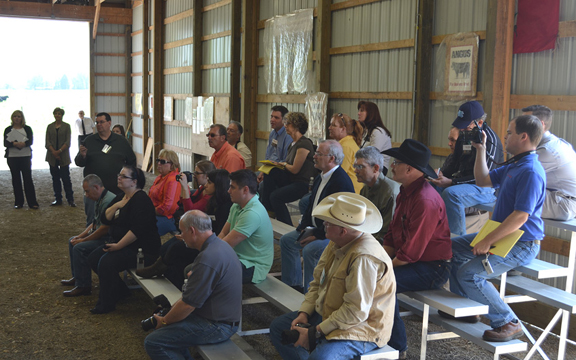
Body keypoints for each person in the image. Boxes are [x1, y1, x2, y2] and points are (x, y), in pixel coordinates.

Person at [448, 115, 546, 342]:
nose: (505, 137)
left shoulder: (531, 170)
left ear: (523, 137)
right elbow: (482, 180)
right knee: (448, 248)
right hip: (503, 235)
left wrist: (487, 240)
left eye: (509, 133)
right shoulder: (517, 164)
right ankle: (468, 308)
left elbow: (520, 216)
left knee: (469, 273)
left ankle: (507, 321)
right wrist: (480, 149)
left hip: (521, 242)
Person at [270, 193, 396, 360]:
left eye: (328, 223)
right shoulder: (336, 242)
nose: (324, 225)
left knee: (321, 358)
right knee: (279, 328)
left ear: (343, 231)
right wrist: (305, 313)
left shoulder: (364, 258)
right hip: (334, 314)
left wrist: (315, 331)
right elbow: (316, 283)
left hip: (362, 329)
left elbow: (355, 312)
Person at [381, 139, 453, 356]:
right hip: (414, 262)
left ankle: (397, 346)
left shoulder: (425, 199)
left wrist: (382, 269)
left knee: (383, 283)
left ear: (409, 169)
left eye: (396, 162)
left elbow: (410, 253)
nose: (392, 165)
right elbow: (392, 234)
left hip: (433, 268)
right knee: (374, 277)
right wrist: (380, 261)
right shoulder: (406, 190)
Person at [143, 210, 242, 359]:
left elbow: (188, 305)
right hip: (221, 318)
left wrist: (164, 321)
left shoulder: (208, 258)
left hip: (218, 325)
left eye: (182, 231)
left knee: (153, 342)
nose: (181, 236)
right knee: (170, 326)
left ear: (192, 231)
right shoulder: (219, 245)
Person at [137, 169, 233, 289]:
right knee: (168, 248)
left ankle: (160, 270)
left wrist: (194, 238)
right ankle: (164, 273)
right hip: (201, 236)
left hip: (209, 242)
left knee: (175, 248)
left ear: (218, 185)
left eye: (209, 182)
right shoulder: (212, 199)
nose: (205, 184)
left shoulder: (225, 206)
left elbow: (192, 214)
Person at [279, 140, 354, 292]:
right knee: (286, 241)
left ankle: (311, 296)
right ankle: (293, 286)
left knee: (310, 251)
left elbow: (337, 220)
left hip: (333, 234)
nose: (314, 156)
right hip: (315, 229)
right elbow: (310, 207)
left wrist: (318, 235)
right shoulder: (321, 176)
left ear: (331, 158)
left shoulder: (341, 182)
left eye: (319, 154)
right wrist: (302, 228)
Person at [88, 165, 161, 314]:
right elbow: (105, 218)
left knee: (107, 262)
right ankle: (121, 291)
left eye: (123, 176)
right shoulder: (122, 197)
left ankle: (106, 304)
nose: (119, 178)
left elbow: (137, 231)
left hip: (142, 250)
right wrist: (116, 205)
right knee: (93, 258)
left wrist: (118, 246)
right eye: (119, 175)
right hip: (125, 245)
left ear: (134, 182)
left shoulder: (141, 200)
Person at [430, 101, 504, 235]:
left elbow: (485, 179)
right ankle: (433, 233)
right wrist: (440, 175)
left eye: (466, 126)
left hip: (488, 188)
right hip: (464, 183)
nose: (462, 129)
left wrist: (452, 182)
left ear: (480, 123)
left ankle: (456, 241)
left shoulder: (490, 140)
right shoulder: (463, 135)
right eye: (460, 125)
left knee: (451, 194)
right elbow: (454, 162)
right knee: (430, 186)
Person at [75, 112, 136, 227]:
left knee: (116, 220)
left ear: (109, 123)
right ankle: (91, 242)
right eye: (97, 122)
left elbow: (132, 162)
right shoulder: (89, 141)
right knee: (92, 221)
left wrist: (128, 181)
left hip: (116, 190)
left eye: (102, 122)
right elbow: (79, 162)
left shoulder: (121, 141)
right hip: (93, 191)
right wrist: (82, 155)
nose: (99, 125)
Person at [61, 174, 116, 297]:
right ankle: (78, 277)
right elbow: (94, 223)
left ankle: (84, 285)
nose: (86, 195)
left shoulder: (107, 201)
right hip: (103, 235)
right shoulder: (100, 198)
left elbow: (103, 229)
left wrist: (83, 240)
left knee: (79, 248)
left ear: (96, 187)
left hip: (109, 239)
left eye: (87, 191)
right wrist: (80, 237)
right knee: (73, 241)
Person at [261, 112, 318, 225]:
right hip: (292, 179)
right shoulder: (292, 144)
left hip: (302, 183)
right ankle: (268, 211)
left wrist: (282, 164)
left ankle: (285, 224)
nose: (285, 125)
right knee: (268, 175)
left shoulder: (304, 144)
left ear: (296, 126)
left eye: (288, 123)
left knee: (275, 197)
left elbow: (295, 169)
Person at [219, 169, 273, 284]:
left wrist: (205, 255)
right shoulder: (237, 205)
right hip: (237, 258)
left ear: (245, 190)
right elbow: (223, 234)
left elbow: (225, 245)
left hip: (253, 265)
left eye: (232, 187)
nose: (228, 191)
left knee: (208, 272)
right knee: (200, 268)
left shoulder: (252, 213)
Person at [522, 105, 576, 220]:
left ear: (541, 125)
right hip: (557, 198)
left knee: (515, 189)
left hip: (565, 205)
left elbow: (518, 174)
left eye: (525, 122)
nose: (519, 126)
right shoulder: (549, 143)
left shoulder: (548, 150)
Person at [354, 146, 400, 243]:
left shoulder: (390, 192)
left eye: (360, 167)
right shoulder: (365, 189)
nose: (355, 171)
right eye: (355, 166)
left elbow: (387, 233)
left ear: (375, 168)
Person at [4, 110, 39, 209]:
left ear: (22, 118)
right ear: (12, 118)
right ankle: (19, 202)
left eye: (19, 116)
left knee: (27, 178)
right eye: (15, 116)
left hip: (25, 156)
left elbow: (30, 140)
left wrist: (23, 144)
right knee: (16, 179)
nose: (17, 118)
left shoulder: (27, 129)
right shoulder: (8, 129)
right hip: (12, 157)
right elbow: (5, 143)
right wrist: (14, 144)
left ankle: (32, 202)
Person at [45, 107, 75, 207]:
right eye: (56, 113)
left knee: (66, 178)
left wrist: (59, 151)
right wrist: (54, 152)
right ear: (54, 115)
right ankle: (58, 199)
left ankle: (70, 199)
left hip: (64, 156)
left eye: (59, 114)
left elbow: (68, 141)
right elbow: (47, 142)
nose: (57, 115)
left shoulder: (67, 126)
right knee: (55, 178)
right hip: (52, 156)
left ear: (62, 115)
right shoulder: (49, 127)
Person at [257, 105, 293, 185]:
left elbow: (285, 160)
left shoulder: (288, 136)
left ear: (284, 120)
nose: (272, 120)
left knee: (262, 185)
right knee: (250, 179)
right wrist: (262, 171)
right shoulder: (272, 134)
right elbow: (268, 156)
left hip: (279, 171)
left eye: (276, 118)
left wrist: (267, 173)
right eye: (271, 116)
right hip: (268, 168)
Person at [149, 149, 182, 236]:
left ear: (172, 165)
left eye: (163, 162)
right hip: (156, 213)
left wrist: (149, 211)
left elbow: (168, 208)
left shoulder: (173, 180)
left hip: (167, 218)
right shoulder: (161, 177)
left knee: (141, 228)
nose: (159, 163)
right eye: (158, 160)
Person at [328, 113, 363, 193]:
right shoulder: (347, 143)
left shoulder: (345, 147)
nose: (329, 128)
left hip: (349, 191)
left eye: (333, 125)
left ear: (343, 129)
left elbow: (339, 173)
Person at [357, 101, 392, 174]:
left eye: (362, 111)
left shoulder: (377, 132)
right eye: (359, 110)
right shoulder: (367, 131)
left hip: (378, 169)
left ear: (370, 114)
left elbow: (373, 154)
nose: (358, 113)